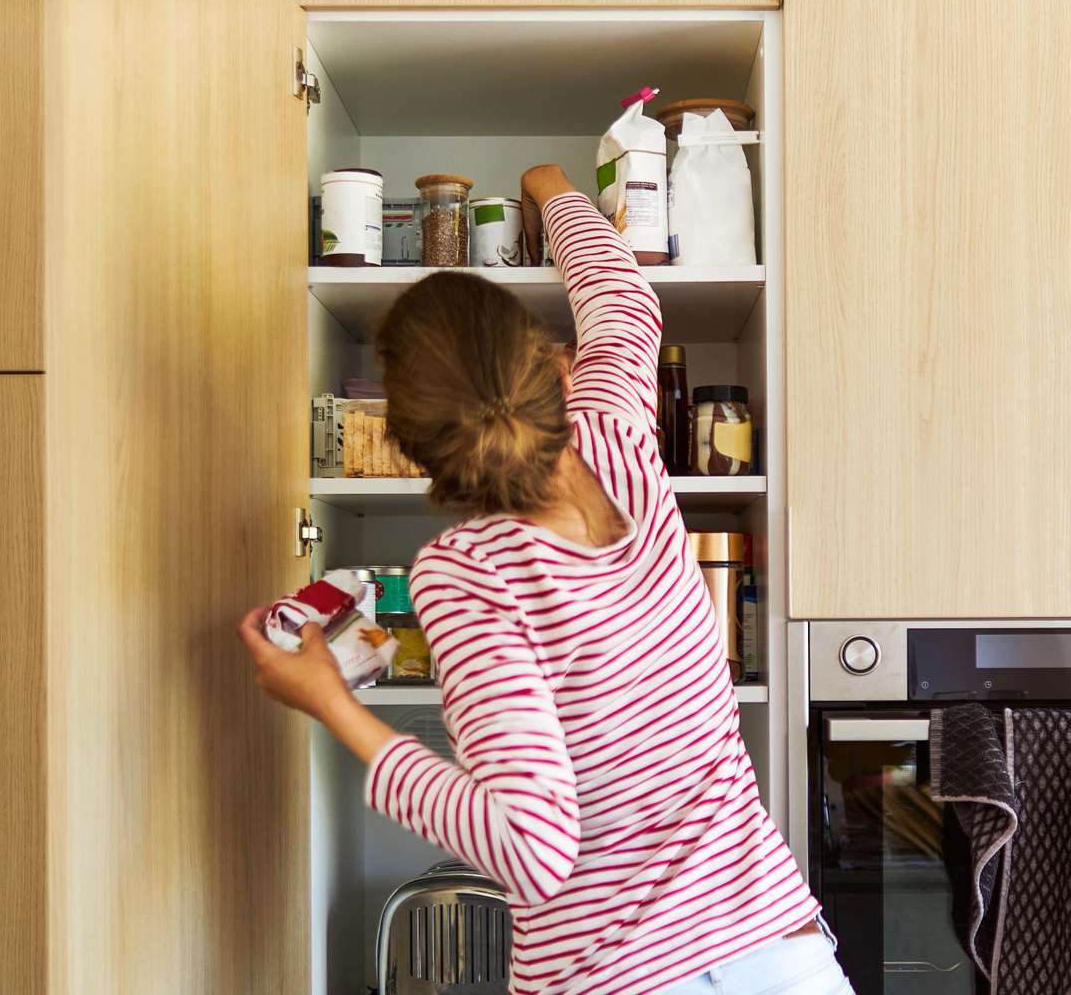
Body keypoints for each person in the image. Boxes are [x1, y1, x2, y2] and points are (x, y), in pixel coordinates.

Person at [237, 164, 853, 995]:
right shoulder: (621, 442)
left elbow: (531, 849)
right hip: (780, 953)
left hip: (621, 978)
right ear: (552, 369)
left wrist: (335, 708)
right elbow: (624, 305)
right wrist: (554, 188)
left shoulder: (468, 572)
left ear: (416, 451)